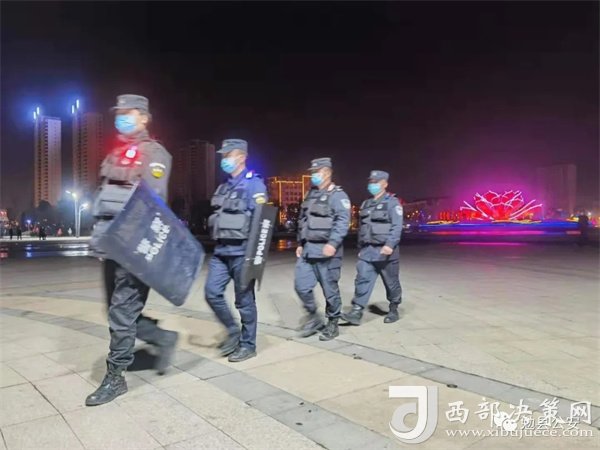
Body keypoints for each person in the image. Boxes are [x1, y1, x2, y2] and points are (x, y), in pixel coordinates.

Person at [86, 94, 178, 406]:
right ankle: (163, 338)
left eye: (129, 112)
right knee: (115, 311)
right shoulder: (114, 153)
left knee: (121, 313)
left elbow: (152, 205)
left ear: (144, 117)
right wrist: (100, 241)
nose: (122, 117)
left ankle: (116, 377)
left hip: (132, 249)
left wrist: (132, 248)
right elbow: (105, 202)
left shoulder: (154, 154)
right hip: (110, 247)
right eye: (119, 112)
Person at [205, 139, 267, 362]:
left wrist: (255, 258)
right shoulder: (223, 187)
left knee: (244, 301)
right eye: (223, 156)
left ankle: (248, 345)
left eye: (228, 155)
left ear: (241, 157)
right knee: (211, 292)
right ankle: (233, 331)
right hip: (221, 252)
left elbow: (261, 222)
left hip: (242, 253)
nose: (224, 160)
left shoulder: (254, 185)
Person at [295, 157, 351, 341]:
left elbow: (343, 222)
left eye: (316, 172)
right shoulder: (310, 195)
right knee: (301, 286)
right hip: (308, 250)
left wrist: (332, 243)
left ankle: (333, 322)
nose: (313, 175)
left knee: (330, 290)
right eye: (312, 172)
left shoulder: (338, 196)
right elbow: (303, 220)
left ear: (326, 173)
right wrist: (300, 243)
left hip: (327, 252)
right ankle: (314, 317)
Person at [341, 170, 403, 325]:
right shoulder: (366, 204)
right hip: (368, 251)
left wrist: (389, 245)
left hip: (385, 252)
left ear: (385, 184)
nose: (372, 185)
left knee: (391, 282)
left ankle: (393, 308)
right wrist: (360, 247)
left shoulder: (392, 203)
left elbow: (397, 226)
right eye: (371, 182)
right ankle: (356, 311)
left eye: (376, 182)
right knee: (362, 279)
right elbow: (363, 228)